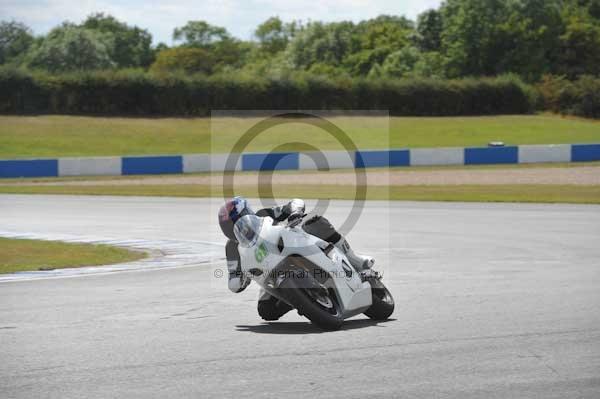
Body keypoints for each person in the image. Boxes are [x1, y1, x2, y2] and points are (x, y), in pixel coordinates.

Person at [218, 196, 374, 321]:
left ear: (247, 213)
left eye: (238, 220)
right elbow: (233, 281)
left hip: (296, 243)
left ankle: (354, 259)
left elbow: (294, 203)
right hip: (271, 271)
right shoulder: (231, 248)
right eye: (229, 226)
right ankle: (303, 298)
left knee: (315, 222)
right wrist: (241, 279)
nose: (235, 227)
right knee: (266, 310)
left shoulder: (263, 215)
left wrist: (295, 212)